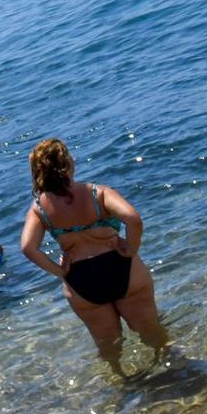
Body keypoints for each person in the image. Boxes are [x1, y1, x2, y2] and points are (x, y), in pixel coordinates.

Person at [18, 139, 169, 369]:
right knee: (151, 331)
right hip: (121, 267)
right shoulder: (97, 192)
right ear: (68, 162)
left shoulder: (39, 209)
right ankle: (172, 369)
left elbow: (28, 248)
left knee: (108, 345)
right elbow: (133, 219)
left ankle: (123, 383)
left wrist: (59, 271)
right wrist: (130, 249)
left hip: (81, 280)